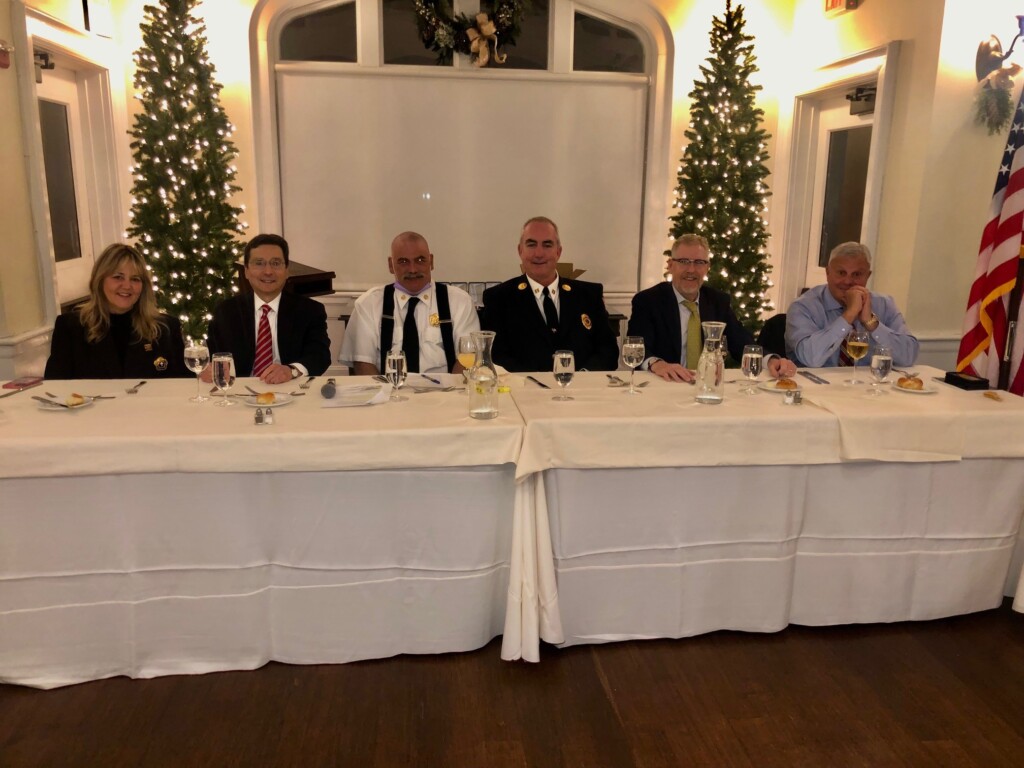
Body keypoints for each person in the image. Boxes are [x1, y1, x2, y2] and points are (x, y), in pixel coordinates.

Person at [628, 234, 797, 382]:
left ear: (707, 268)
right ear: (670, 265)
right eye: (684, 262)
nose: (691, 270)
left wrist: (770, 360)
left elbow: (741, 343)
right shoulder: (648, 301)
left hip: (707, 385)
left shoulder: (717, 301)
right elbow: (638, 347)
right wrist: (657, 364)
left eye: (699, 262)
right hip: (664, 385)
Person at [481, 216, 619, 372]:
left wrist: (581, 377)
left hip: (582, 390)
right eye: (531, 244)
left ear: (558, 252)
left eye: (547, 245)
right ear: (520, 251)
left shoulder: (589, 295)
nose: (539, 253)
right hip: (525, 392)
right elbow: (495, 356)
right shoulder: (499, 298)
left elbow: (608, 351)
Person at [340, 231, 480, 375]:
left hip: (446, 392)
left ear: (431, 262)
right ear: (390, 265)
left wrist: (449, 397)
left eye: (420, 260)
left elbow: (467, 361)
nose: (413, 269)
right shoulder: (368, 304)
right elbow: (363, 364)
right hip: (388, 393)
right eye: (403, 261)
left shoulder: (459, 301)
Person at [44, 243, 189, 380]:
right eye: (118, 277)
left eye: (135, 279)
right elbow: (55, 388)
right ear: (99, 280)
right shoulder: (71, 327)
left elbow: (183, 387)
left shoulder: (166, 328)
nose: (127, 286)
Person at [206, 233, 331, 384]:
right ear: (246, 270)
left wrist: (291, 370)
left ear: (287, 270)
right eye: (259, 263)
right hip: (238, 393)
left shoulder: (310, 310)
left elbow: (320, 356)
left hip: (290, 388)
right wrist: (209, 369)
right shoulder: (225, 311)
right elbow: (214, 357)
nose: (268, 271)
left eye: (276, 263)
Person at [785, 241, 919, 367]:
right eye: (841, 273)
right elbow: (810, 358)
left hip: (869, 388)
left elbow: (908, 357)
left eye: (857, 274)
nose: (848, 281)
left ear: (868, 276)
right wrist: (849, 315)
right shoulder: (803, 306)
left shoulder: (884, 304)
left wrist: (870, 322)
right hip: (816, 389)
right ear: (828, 273)